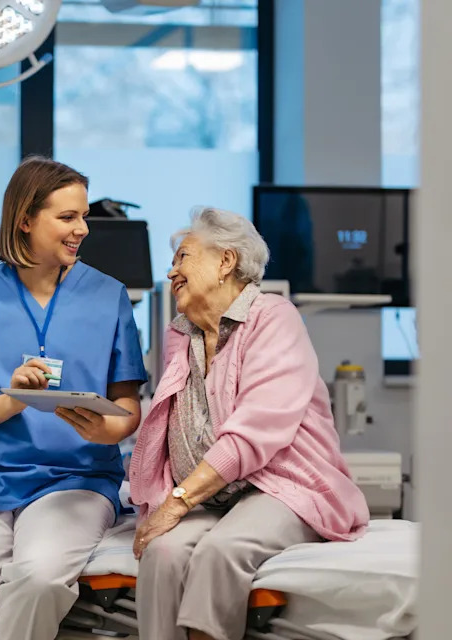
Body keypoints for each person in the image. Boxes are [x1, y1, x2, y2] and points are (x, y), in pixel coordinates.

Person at [0, 156, 148, 640]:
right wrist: (13, 401)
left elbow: (128, 407)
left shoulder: (108, 297)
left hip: (76, 480)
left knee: (38, 578)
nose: (83, 229)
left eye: (84, 216)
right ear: (25, 219)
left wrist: (109, 428)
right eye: (67, 217)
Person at [128, 206, 369, 640]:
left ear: (226, 262)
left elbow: (255, 431)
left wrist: (178, 501)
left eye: (183, 257)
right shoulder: (180, 334)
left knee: (222, 551)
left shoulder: (273, 318)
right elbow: (173, 420)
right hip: (216, 493)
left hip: (280, 485)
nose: (171, 273)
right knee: (161, 552)